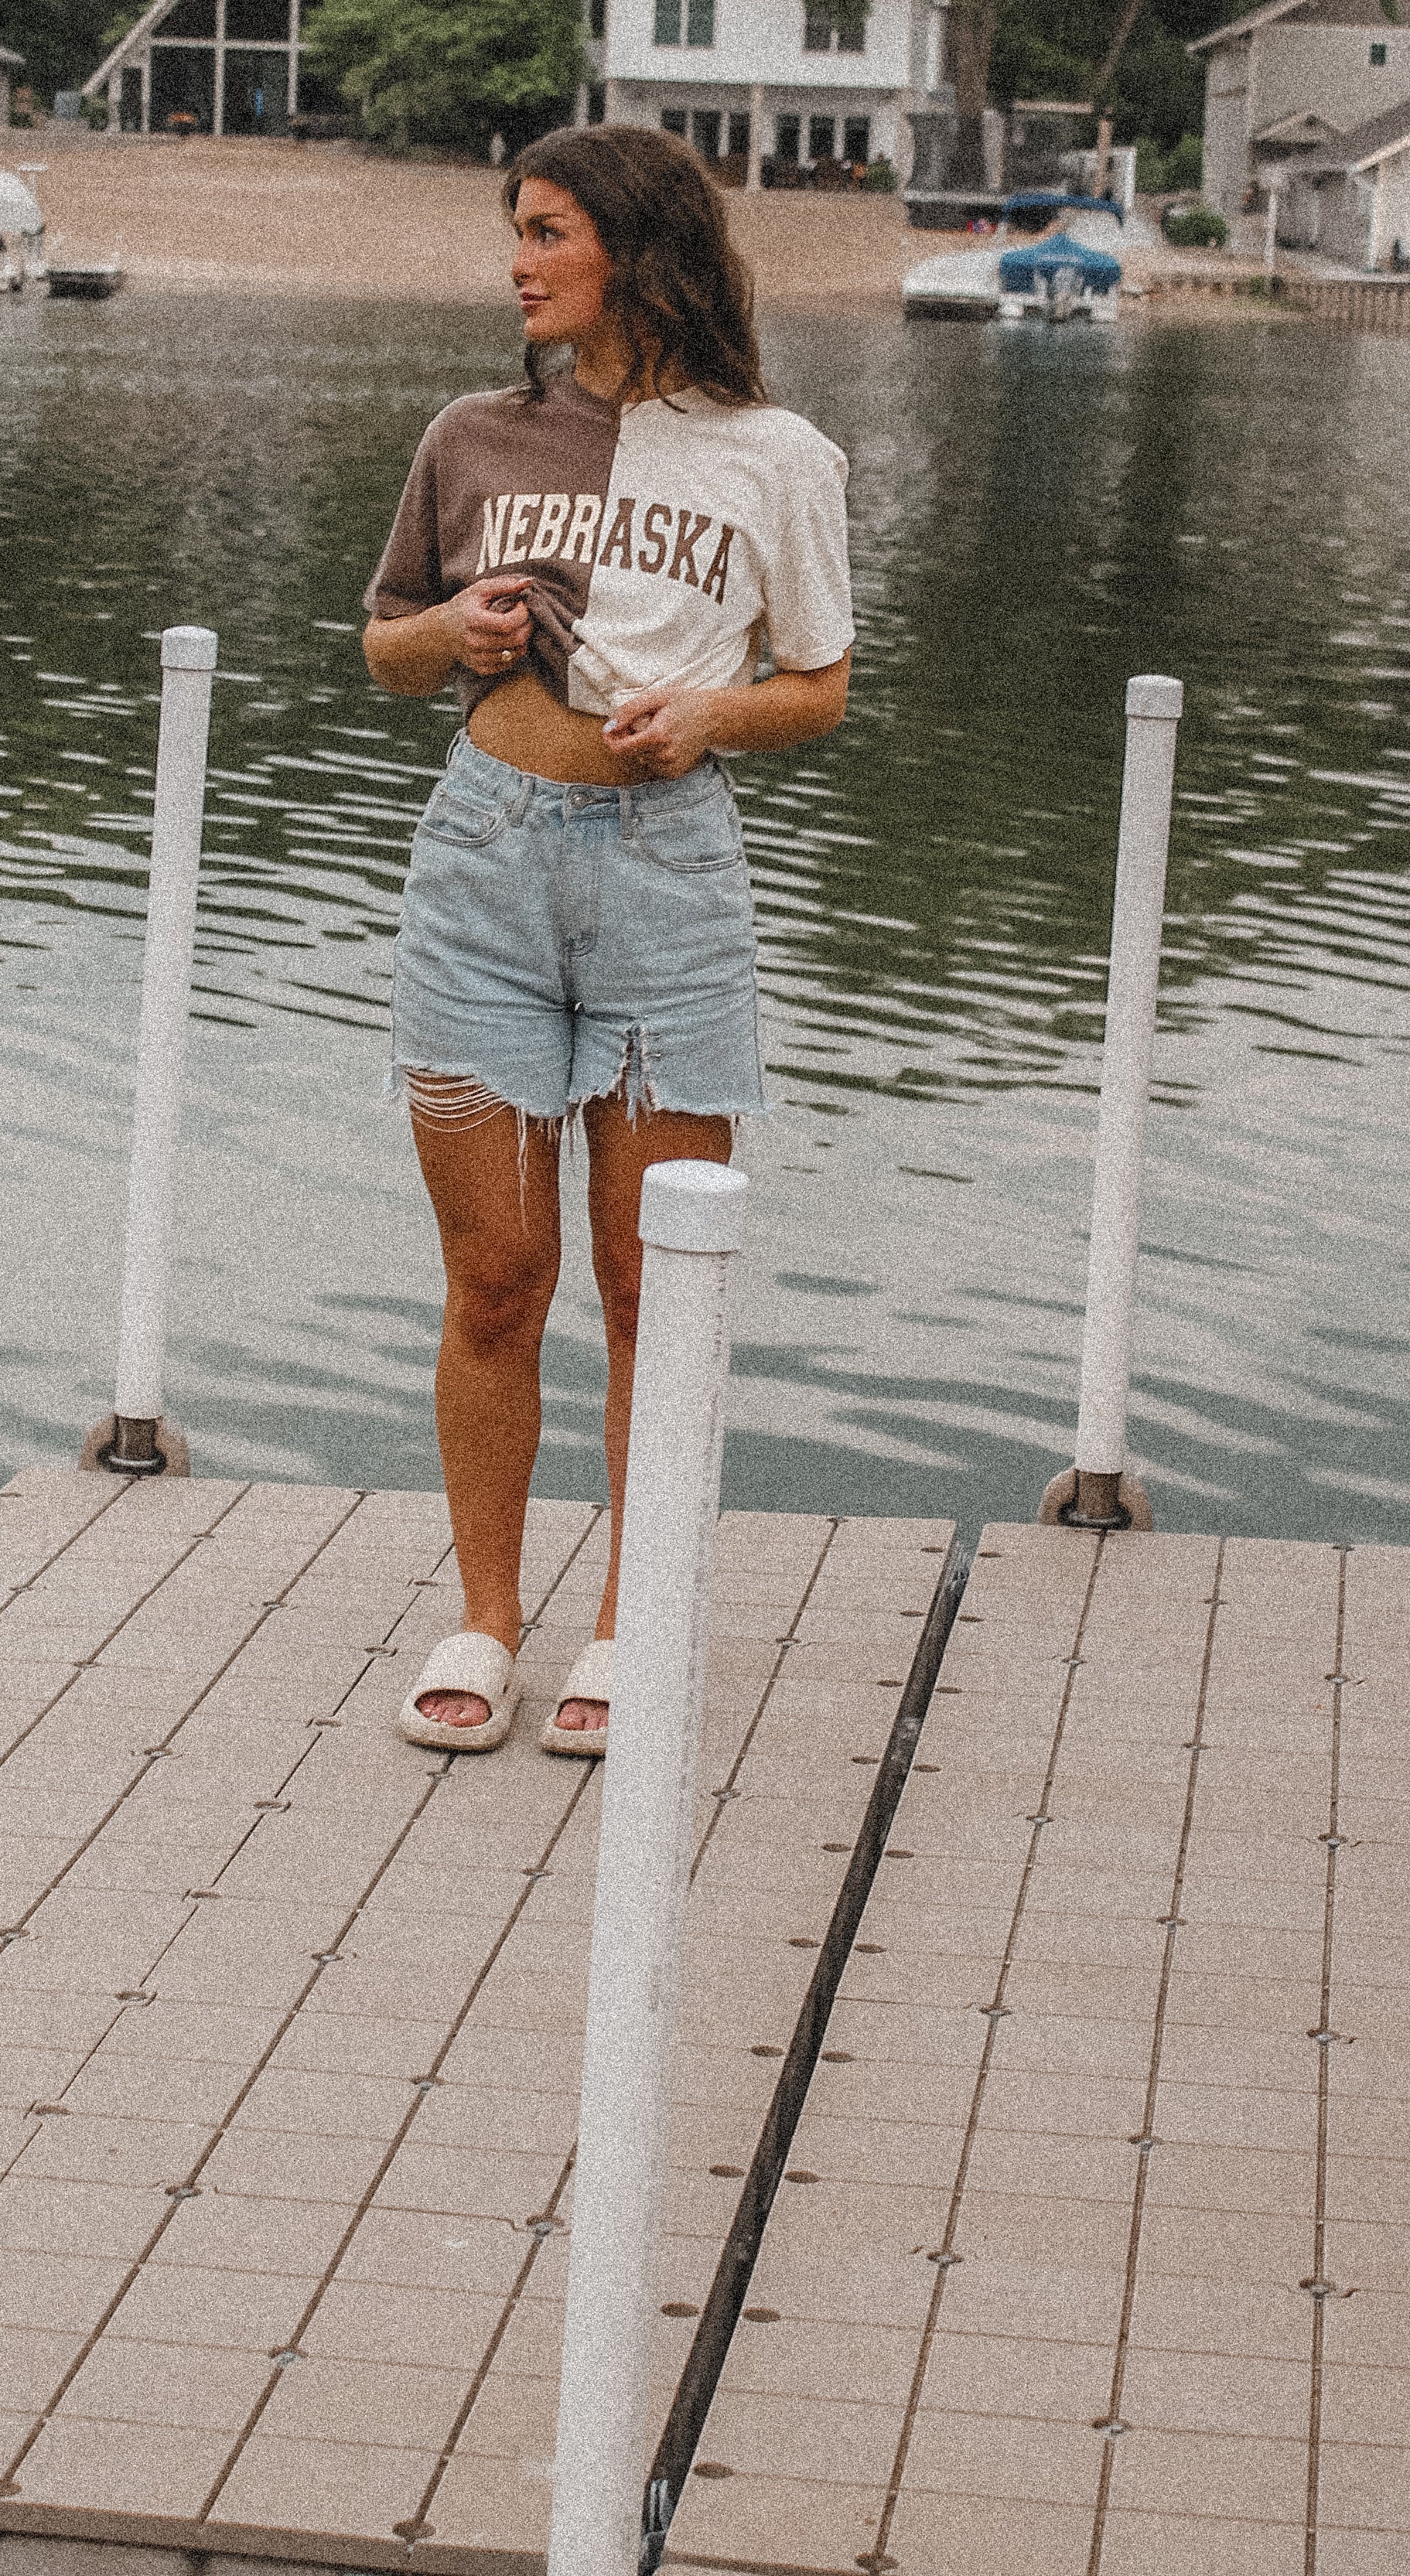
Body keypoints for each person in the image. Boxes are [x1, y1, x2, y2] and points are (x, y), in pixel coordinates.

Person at [360, 125, 854, 1755]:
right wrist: (451, 630)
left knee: (650, 1286)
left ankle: (630, 1624)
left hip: (665, 881)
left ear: (635, 253)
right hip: (482, 867)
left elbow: (820, 687)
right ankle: (486, 1619)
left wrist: (708, 711)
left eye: (547, 232)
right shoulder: (472, 433)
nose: (516, 262)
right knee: (496, 1279)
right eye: (514, 230)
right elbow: (384, 651)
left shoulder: (773, 455)